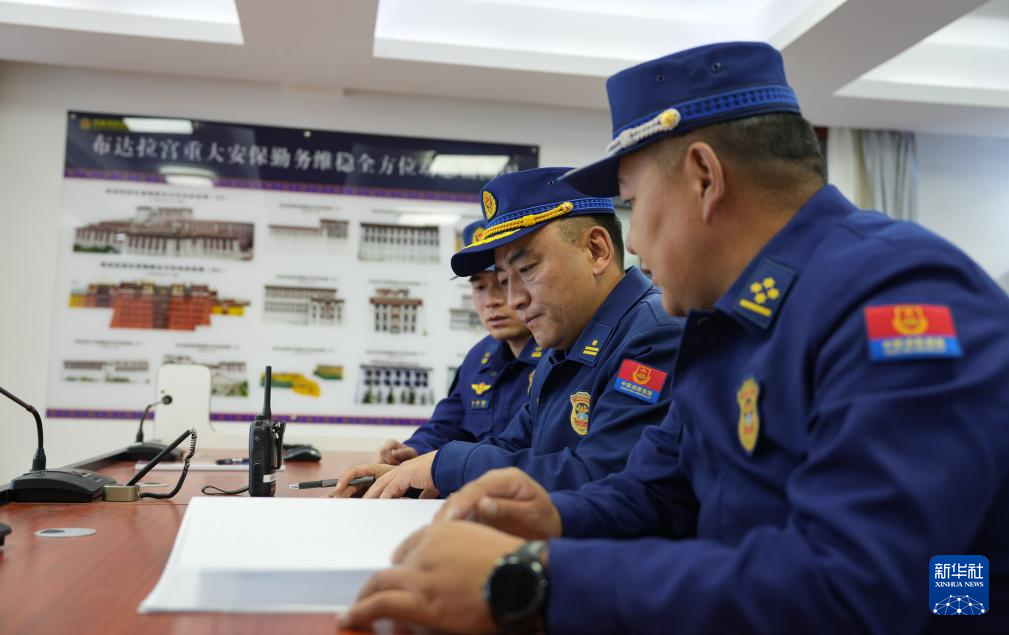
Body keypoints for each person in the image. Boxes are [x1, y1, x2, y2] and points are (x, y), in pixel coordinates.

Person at [342, 41, 1009, 634]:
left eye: (634, 204)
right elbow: (655, 492)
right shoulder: (727, 323)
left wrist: (536, 581)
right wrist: (555, 516)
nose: (632, 241)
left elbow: (857, 587)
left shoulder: (898, 297)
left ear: (703, 178)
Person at [333, 166, 683, 499]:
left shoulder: (654, 336)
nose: (514, 299)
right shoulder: (562, 348)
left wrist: (447, 466)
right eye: (504, 280)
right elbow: (512, 445)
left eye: (528, 269)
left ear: (596, 250)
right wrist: (407, 474)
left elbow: (603, 476)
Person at [369, 220, 541, 468]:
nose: (491, 301)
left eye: (503, 283)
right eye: (480, 287)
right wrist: (411, 453)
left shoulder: (559, 354)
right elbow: (448, 425)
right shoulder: (480, 356)